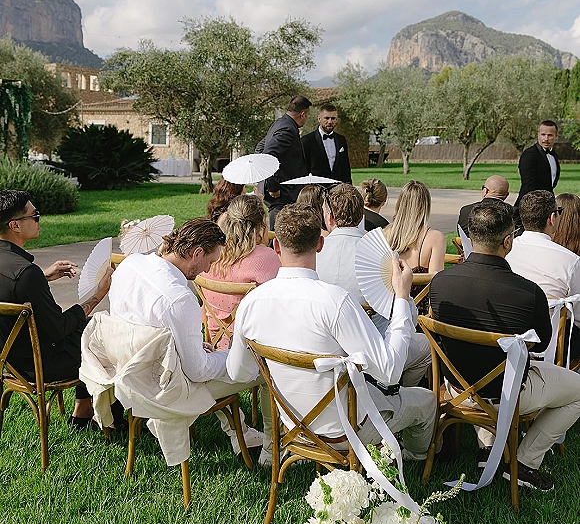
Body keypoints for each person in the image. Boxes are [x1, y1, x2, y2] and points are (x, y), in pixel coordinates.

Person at [228, 204, 436, 465]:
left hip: (292, 425)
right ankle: (413, 460)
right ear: (320, 245)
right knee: (426, 401)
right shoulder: (335, 302)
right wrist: (402, 299)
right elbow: (390, 370)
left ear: (277, 247)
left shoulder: (252, 303)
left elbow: (238, 373)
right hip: (345, 430)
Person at [429, 199, 580, 491]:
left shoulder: (440, 283)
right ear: (508, 241)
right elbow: (542, 345)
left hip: (458, 389)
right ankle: (524, 462)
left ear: (470, 238)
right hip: (508, 394)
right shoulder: (528, 293)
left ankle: (488, 447)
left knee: (481, 360)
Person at [107, 218, 270, 458]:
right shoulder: (179, 298)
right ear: (197, 252)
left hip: (129, 372)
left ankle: (241, 434)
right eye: (210, 261)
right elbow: (198, 372)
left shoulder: (131, 264)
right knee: (264, 369)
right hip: (163, 387)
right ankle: (270, 450)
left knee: (212, 361)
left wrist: (186, 348)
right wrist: (231, 354)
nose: (207, 269)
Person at [0, 189, 112, 426]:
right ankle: (110, 417)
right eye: (35, 215)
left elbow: (12, 288)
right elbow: (59, 328)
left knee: (90, 328)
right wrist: (98, 295)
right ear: (15, 226)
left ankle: (83, 410)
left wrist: (43, 276)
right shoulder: (27, 274)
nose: (39, 220)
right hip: (39, 366)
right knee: (104, 331)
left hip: (8, 362)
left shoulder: (23, 273)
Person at [316, 184, 431, 387]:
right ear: (362, 214)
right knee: (425, 347)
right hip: (372, 355)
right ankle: (400, 394)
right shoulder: (383, 257)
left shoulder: (314, 254)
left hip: (324, 348)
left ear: (330, 218)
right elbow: (408, 318)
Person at [507, 190, 580, 362]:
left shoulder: (506, 251)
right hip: (553, 349)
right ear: (552, 218)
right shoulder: (570, 261)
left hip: (506, 342)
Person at [203, 196, 280, 349]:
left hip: (215, 342)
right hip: (251, 349)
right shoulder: (265, 258)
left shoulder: (212, 256)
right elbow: (279, 305)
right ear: (261, 225)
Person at [384, 181, 446, 314]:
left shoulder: (386, 234)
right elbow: (436, 284)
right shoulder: (435, 238)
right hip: (420, 316)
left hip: (388, 311)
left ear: (400, 204)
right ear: (426, 206)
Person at [259, 94, 312, 227]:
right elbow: (268, 154)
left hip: (282, 192)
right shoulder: (288, 129)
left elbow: (260, 147)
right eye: (308, 115)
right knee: (281, 232)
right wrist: (273, 186)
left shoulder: (279, 123)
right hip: (282, 194)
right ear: (303, 114)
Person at [514, 121, 560, 229]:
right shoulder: (529, 155)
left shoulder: (553, 154)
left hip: (547, 204)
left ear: (556, 136)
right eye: (543, 134)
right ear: (538, 134)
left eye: (550, 135)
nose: (546, 139)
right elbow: (528, 186)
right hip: (532, 207)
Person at [301, 103, 352, 184]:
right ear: (319, 119)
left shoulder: (341, 139)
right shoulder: (307, 140)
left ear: (336, 119)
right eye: (326, 118)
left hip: (338, 189)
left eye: (333, 118)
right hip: (316, 189)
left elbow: (345, 167)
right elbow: (302, 169)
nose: (330, 121)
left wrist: (349, 187)